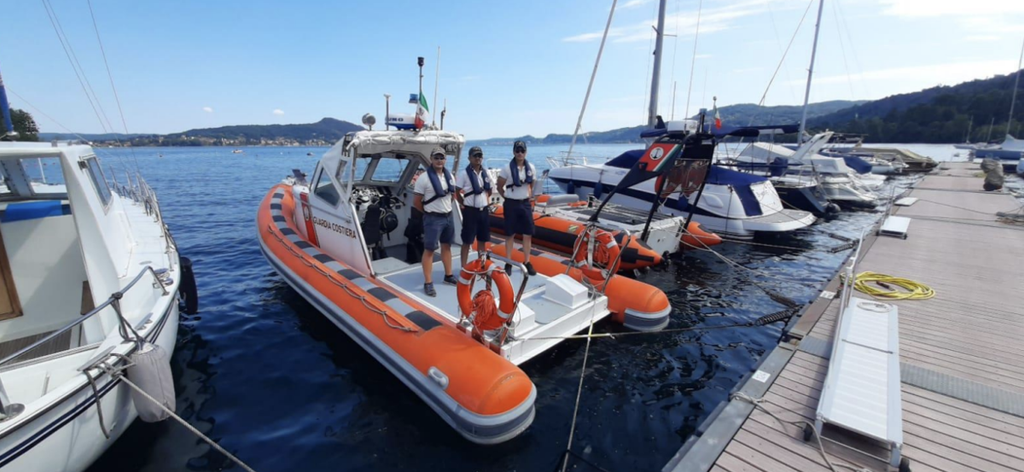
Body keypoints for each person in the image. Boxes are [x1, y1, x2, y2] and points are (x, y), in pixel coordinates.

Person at [413, 147, 457, 296]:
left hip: (448, 216)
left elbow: (452, 196)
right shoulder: (423, 178)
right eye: (436, 158)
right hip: (433, 218)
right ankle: (428, 282)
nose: (439, 160)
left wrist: (445, 209)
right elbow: (416, 202)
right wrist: (429, 213)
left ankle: (448, 275)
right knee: (430, 250)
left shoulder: (449, 176)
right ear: (431, 159)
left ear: (445, 159)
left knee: (447, 246)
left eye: (441, 158)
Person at [496, 140, 537, 276]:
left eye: (522, 151)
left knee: (527, 234)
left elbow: (532, 184)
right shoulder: (506, 168)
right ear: (514, 152)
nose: (520, 153)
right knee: (510, 234)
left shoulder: (531, 168)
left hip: (525, 203)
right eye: (517, 151)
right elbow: (499, 186)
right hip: (511, 203)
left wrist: (529, 196)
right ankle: (508, 261)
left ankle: (527, 261)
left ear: (526, 152)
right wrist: (507, 197)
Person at [456, 146, 492, 266]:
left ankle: (481, 265)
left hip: (483, 211)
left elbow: (489, 190)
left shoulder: (486, 173)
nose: (478, 158)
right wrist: (463, 204)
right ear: (469, 158)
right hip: (470, 211)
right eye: (475, 156)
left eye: (479, 156)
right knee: (467, 241)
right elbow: (457, 191)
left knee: (482, 240)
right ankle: (463, 266)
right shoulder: (464, 174)